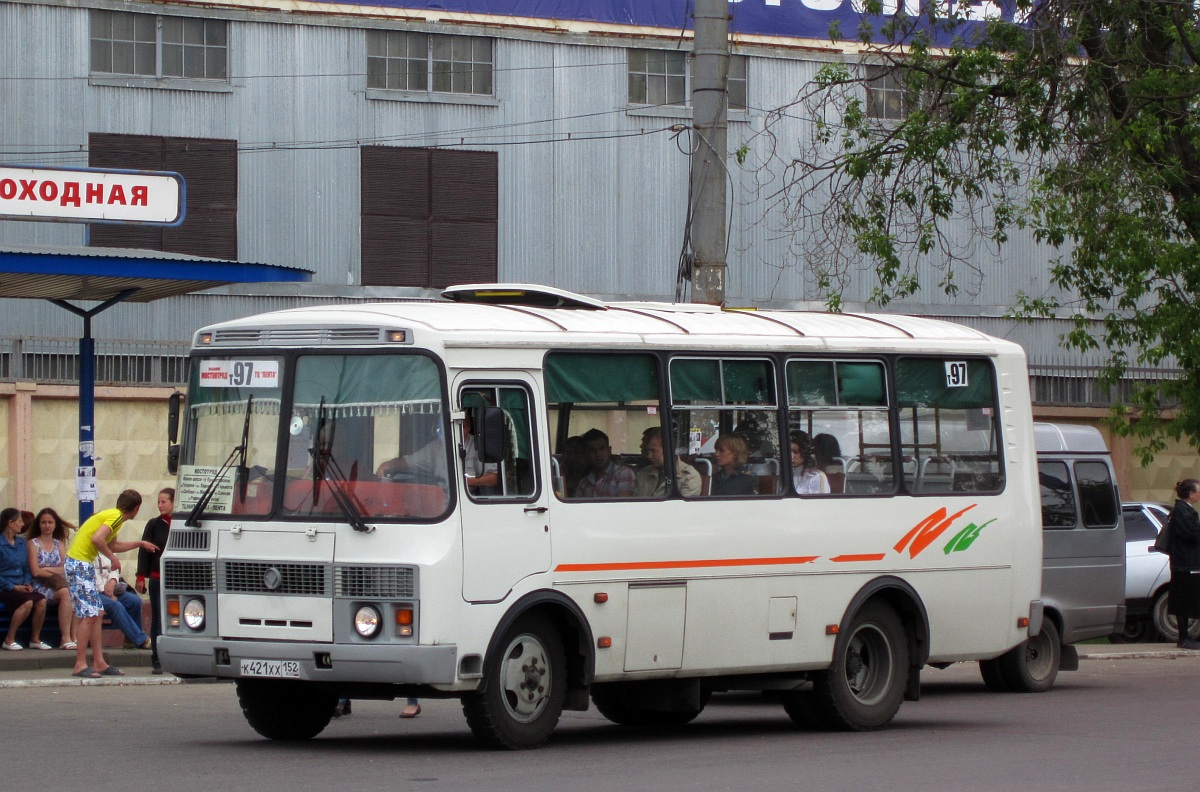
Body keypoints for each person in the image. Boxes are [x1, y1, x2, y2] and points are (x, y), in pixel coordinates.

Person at [64, 489, 156, 678]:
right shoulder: (115, 517)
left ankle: (99, 662)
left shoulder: (113, 518)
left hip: (81, 563)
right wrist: (113, 559)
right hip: (79, 563)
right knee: (89, 615)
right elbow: (97, 539)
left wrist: (139, 544)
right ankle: (80, 664)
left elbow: (113, 545)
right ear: (136, 508)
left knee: (97, 613)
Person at [24, 507, 78, 649]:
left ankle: (74, 637)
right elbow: (35, 571)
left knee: (72, 592)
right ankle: (65, 638)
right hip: (40, 586)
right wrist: (55, 573)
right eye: (43, 522)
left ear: (55, 524)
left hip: (57, 585)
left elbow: (65, 568)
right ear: (38, 525)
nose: (47, 526)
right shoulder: (33, 543)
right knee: (67, 592)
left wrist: (47, 569)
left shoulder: (58, 544)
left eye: (50, 522)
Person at [1, 507, 49, 650]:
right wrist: (13, 586)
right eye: (20, 521)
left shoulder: (21, 543)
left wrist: (27, 582)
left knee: (41, 600)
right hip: (5, 587)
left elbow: (27, 567)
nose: (22, 524)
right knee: (27, 602)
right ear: (11, 523)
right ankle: (9, 639)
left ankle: (35, 639)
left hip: (21, 585)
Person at [136, 488, 173, 673]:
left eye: (164, 502)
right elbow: (144, 551)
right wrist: (140, 576)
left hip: (176, 579)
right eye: (159, 502)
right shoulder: (153, 524)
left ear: (173, 503)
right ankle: (157, 659)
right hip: (158, 578)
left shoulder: (181, 523)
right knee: (158, 618)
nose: (160, 505)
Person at [1166, 478, 1200, 650]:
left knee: (1187, 600)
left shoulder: (1183, 510)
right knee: (1186, 601)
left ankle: (1186, 637)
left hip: (1185, 562)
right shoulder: (1183, 511)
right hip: (1185, 563)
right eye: (1198, 491)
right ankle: (1184, 638)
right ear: (1191, 493)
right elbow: (1191, 535)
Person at [95, 553, 151, 650]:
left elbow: (114, 569)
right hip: (95, 593)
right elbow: (93, 577)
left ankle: (130, 640)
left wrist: (112, 581)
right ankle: (141, 640)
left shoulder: (108, 549)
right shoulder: (88, 551)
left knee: (134, 601)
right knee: (116, 605)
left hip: (111, 590)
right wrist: (107, 593)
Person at [635, 427, 702, 497]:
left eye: (653, 451)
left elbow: (682, 507)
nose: (649, 456)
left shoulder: (689, 477)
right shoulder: (644, 473)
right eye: (648, 452)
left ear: (667, 449)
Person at [573, 428, 635, 498]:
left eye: (602, 449)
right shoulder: (584, 483)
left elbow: (622, 505)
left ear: (609, 450)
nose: (598, 454)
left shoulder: (623, 473)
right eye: (592, 450)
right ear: (586, 454)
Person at [790, 431, 830, 495]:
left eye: (796, 452)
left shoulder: (816, 476)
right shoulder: (785, 474)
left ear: (805, 453)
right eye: (789, 451)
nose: (791, 456)